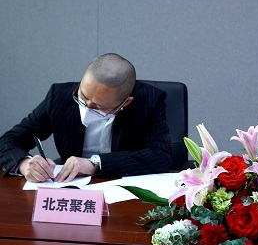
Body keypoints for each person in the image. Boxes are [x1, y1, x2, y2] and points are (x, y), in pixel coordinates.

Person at [0, 53, 172, 183]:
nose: (87, 107)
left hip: (122, 185)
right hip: (71, 185)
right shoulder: (59, 97)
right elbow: (8, 141)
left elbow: (160, 156)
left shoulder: (149, 101)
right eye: (83, 96)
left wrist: (95, 164)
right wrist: (24, 164)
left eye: (98, 106)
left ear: (125, 102)